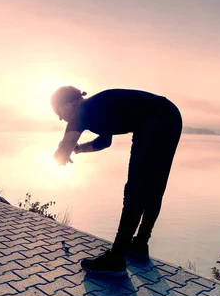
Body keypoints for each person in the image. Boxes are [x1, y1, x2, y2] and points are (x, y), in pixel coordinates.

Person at [51, 86, 182, 275]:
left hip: (155, 119)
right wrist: (77, 149)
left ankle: (116, 258)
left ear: (69, 102)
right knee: (155, 185)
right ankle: (139, 245)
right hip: (170, 115)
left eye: (58, 112)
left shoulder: (82, 110)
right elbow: (104, 142)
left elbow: (64, 147)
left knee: (135, 190)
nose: (61, 119)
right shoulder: (96, 108)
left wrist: (62, 152)